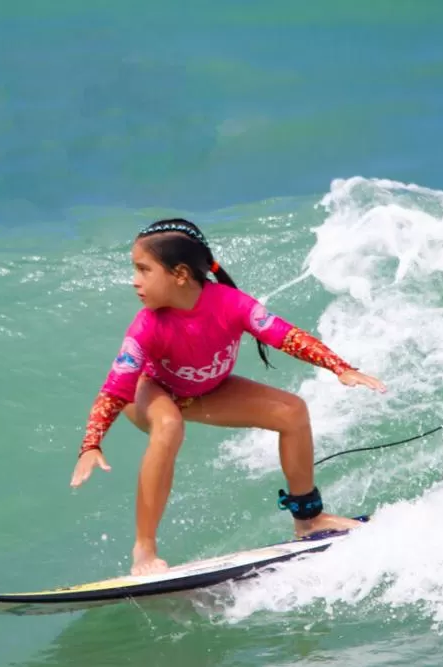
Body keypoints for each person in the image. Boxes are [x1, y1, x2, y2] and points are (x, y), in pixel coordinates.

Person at [70, 218, 386, 575]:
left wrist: (340, 367)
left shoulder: (230, 304)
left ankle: (309, 520)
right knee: (169, 423)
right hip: (149, 392)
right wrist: (91, 444)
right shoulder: (147, 325)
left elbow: (285, 335)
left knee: (292, 411)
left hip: (205, 389)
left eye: (143, 269)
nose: (135, 280)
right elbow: (115, 390)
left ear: (180, 274)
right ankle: (144, 550)